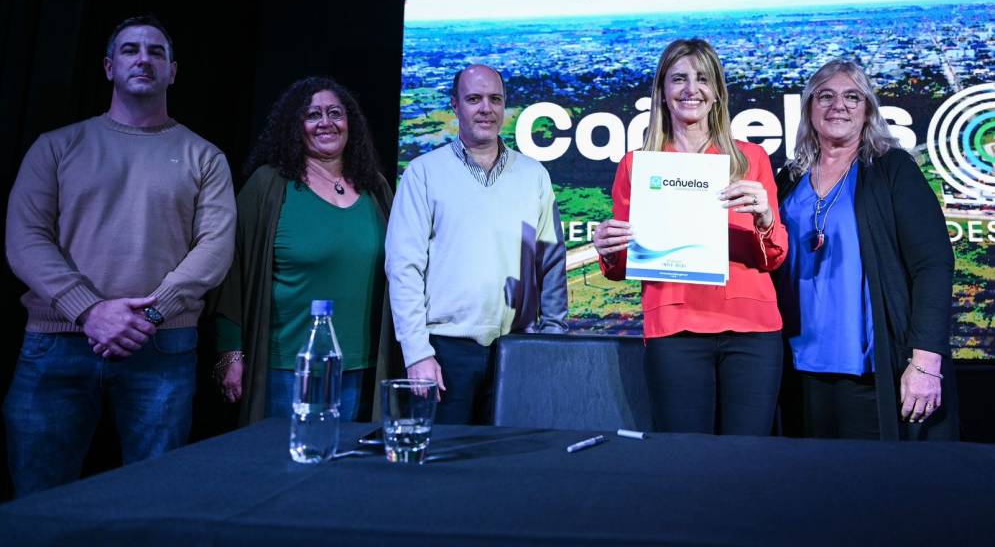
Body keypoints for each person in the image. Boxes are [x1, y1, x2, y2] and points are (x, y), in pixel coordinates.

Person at [3, 15, 236, 496]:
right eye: (130, 50)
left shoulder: (205, 157)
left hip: (161, 344)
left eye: (156, 52)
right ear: (109, 67)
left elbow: (215, 248)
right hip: (56, 344)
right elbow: (25, 240)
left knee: (153, 499)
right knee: (38, 501)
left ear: (173, 71)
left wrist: (149, 314)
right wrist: (90, 311)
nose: (143, 59)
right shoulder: (56, 147)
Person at [594, 39, 787, 435]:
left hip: (752, 331)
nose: (691, 89)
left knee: (747, 458)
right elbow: (622, 266)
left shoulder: (751, 160)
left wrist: (766, 216)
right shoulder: (636, 166)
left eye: (702, 79)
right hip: (675, 329)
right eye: (679, 78)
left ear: (717, 93)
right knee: (685, 458)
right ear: (662, 91)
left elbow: (775, 257)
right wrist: (609, 248)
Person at [774, 60, 958, 440]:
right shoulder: (789, 178)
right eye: (825, 96)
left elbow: (933, 264)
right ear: (809, 108)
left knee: (873, 476)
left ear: (868, 110)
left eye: (852, 97)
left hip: (872, 371)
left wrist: (926, 360)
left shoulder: (892, 169)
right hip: (797, 369)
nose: (838, 106)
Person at [385, 64, 568, 424]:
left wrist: (552, 340)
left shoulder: (534, 176)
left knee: (511, 456)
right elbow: (404, 267)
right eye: (474, 99)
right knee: (446, 456)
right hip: (444, 352)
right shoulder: (423, 173)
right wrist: (417, 353)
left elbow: (550, 262)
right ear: (455, 105)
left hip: (519, 349)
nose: (486, 108)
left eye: (495, 99)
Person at [212, 77, 399, 425]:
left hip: (364, 368)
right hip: (289, 369)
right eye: (313, 115)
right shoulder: (268, 186)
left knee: (351, 460)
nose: (326, 123)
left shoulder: (375, 187)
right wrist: (229, 354)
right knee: (293, 458)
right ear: (294, 126)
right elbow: (232, 272)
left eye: (335, 113)